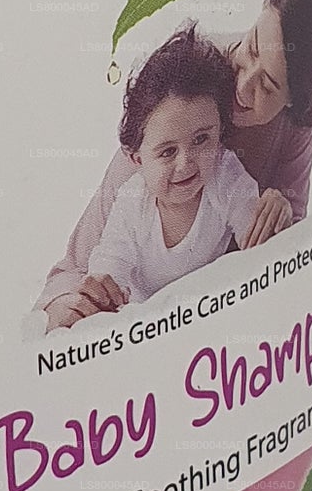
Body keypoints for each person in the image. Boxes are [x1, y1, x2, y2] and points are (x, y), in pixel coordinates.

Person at [39, 0, 312, 330]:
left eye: (268, 85)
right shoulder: (182, 94)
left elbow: (284, 254)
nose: (244, 85)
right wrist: (73, 304)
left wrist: (280, 218)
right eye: (252, 47)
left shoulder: (285, 131)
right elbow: (80, 269)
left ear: (293, 101)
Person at [86, 27, 265, 306]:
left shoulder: (224, 174)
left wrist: (270, 221)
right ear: (138, 159)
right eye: (168, 152)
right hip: (150, 318)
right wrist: (104, 289)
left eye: (201, 139)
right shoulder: (133, 202)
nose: (185, 163)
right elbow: (111, 260)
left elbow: (258, 241)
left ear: (220, 132)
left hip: (209, 307)